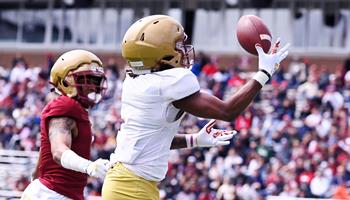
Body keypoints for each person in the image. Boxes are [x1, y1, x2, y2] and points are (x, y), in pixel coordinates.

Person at [102, 15, 289, 199]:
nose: (184, 50)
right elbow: (227, 111)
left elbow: (155, 138)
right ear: (159, 52)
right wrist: (264, 72)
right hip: (130, 187)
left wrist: (194, 140)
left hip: (127, 183)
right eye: (178, 45)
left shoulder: (138, 80)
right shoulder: (166, 83)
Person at [21, 49, 110, 200]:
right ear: (65, 81)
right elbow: (58, 151)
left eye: (96, 81)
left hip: (56, 192)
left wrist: (35, 179)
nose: (93, 87)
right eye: (87, 79)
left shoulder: (75, 108)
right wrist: (90, 167)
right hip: (53, 193)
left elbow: (44, 154)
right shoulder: (66, 105)